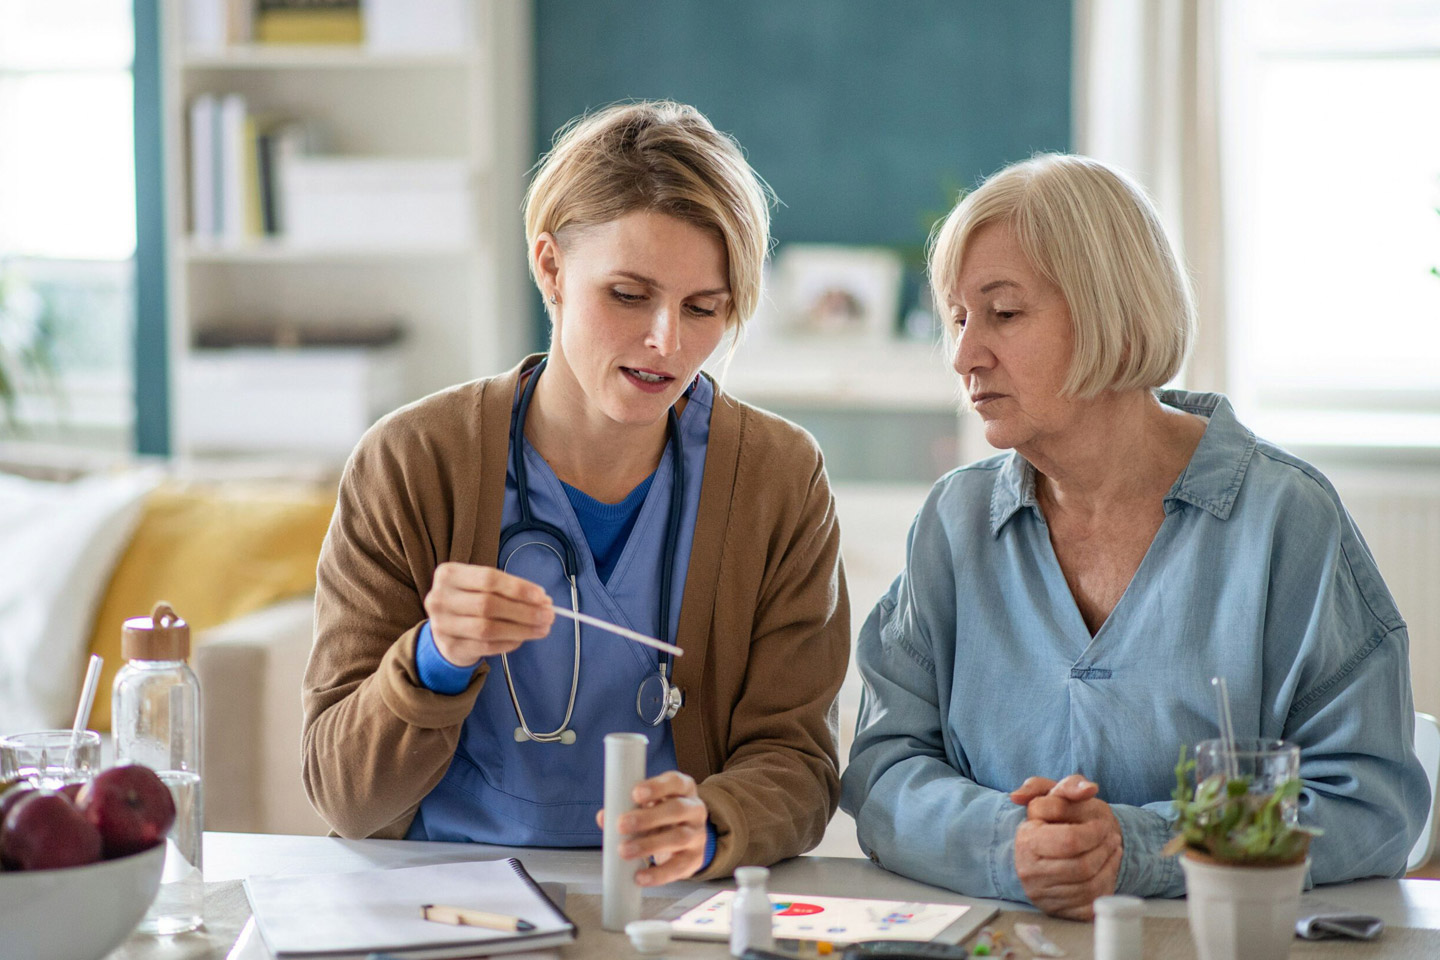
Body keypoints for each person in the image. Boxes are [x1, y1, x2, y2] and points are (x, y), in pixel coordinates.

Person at [839, 154, 1430, 919]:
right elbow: (883, 770)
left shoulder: (1287, 521)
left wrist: (1138, 846)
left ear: (1108, 309)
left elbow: (1371, 803)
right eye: (957, 317)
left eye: (1004, 313)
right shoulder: (953, 526)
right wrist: (1011, 842)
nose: (964, 355)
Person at [302, 101, 850, 884]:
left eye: (705, 308)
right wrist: (435, 658)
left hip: (666, 898)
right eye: (629, 294)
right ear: (551, 268)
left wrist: (715, 822)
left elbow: (798, 764)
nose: (667, 341)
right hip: (438, 894)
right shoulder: (412, 462)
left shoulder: (777, 477)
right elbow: (343, 796)